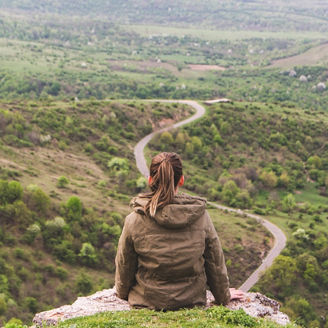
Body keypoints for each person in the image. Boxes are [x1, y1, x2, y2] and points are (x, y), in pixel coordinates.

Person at [115, 152, 244, 310]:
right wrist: (223, 296)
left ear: (150, 180)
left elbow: (125, 264)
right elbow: (215, 262)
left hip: (146, 301)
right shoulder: (200, 216)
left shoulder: (134, 220)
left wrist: (122, 293)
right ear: (181, 180)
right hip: (191, 301)